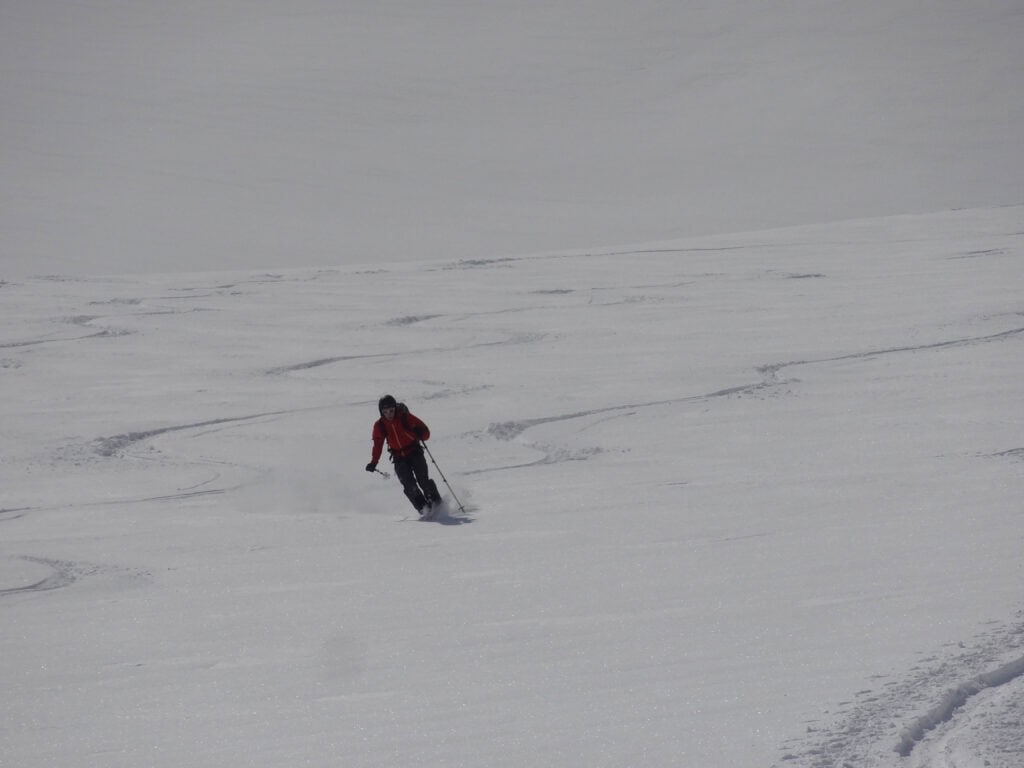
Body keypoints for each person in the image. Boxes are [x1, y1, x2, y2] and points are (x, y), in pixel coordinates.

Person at [365, 395, 441, 514]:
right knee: (409, 486)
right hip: (398, 457)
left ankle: (438, 506)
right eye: (385, 412)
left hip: (415, 452)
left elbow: (426, 433)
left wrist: (420, 432)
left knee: (423, 481)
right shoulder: (380, 425)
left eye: (391, 410)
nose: (389, 414)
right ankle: (424, 510)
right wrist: (374, 462)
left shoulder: (405, 417)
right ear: (381, 412)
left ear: (395, 408)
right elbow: (378, 444)